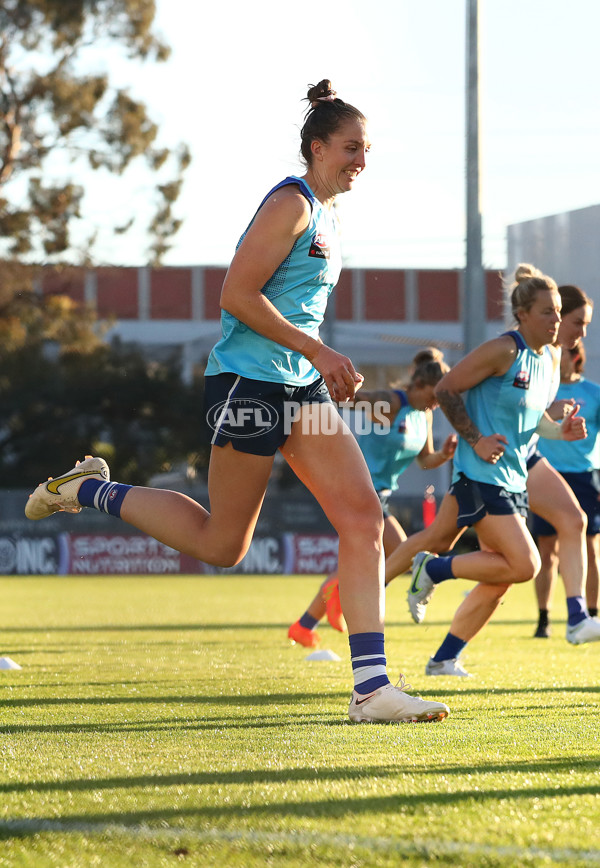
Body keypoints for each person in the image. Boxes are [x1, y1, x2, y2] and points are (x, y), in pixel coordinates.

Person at [24, 79, 449, 725]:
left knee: (363, 519)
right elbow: (237, 295)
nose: (362, 160)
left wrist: (314, 362)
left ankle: (372, 689)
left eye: (368, 149)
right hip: (248, 385)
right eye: (351, 148)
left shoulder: (331, 216)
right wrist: (319, 350)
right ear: (317, 147)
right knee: (224, 544)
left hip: (298, 387)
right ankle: (88, 491)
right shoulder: (293, 203)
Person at [381, 282, 598, 662]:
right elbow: (446, 389)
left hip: (513, 477)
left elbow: (533, 423)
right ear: (523, 314)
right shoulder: (504, 349)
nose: (558, 321)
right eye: (549, 312)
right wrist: (477, 439)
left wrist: (558, 431)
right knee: (526, 563)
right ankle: (431, 571)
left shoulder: (546, 358)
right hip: (481, 474)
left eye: (560, 313)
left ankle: (444, 659)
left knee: (493, 574)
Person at [287, 348, 457, 647]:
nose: (436, 404)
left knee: (382, 556)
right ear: (418, 386)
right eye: (434, 396)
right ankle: (336, 598)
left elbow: (425, 460)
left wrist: (444, 455)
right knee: (400, 553)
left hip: (380, 494)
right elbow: (347, 398)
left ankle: (308, 622)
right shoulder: (391, 403)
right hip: (359, 489)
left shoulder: (424, 416)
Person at [531, 339, 600, 636]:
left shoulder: (593, 393)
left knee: (589, 546)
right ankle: (544, 619)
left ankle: (588, 615)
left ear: (577, 357)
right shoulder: (546, 388)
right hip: (547, 472)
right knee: (547, 551)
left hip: (584, 475)